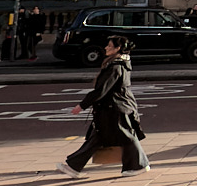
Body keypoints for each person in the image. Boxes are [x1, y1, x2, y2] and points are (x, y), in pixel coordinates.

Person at [64, 34, 149, 173]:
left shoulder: (115, 67)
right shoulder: (119, 64)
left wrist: (82, 105)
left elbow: (102, 89)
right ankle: (73, 166)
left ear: (118, 48)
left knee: (123, 136)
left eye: (109, 46)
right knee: (103, 136)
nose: (106, 48)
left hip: (115, 108)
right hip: (115, 106)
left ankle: (138, 165)